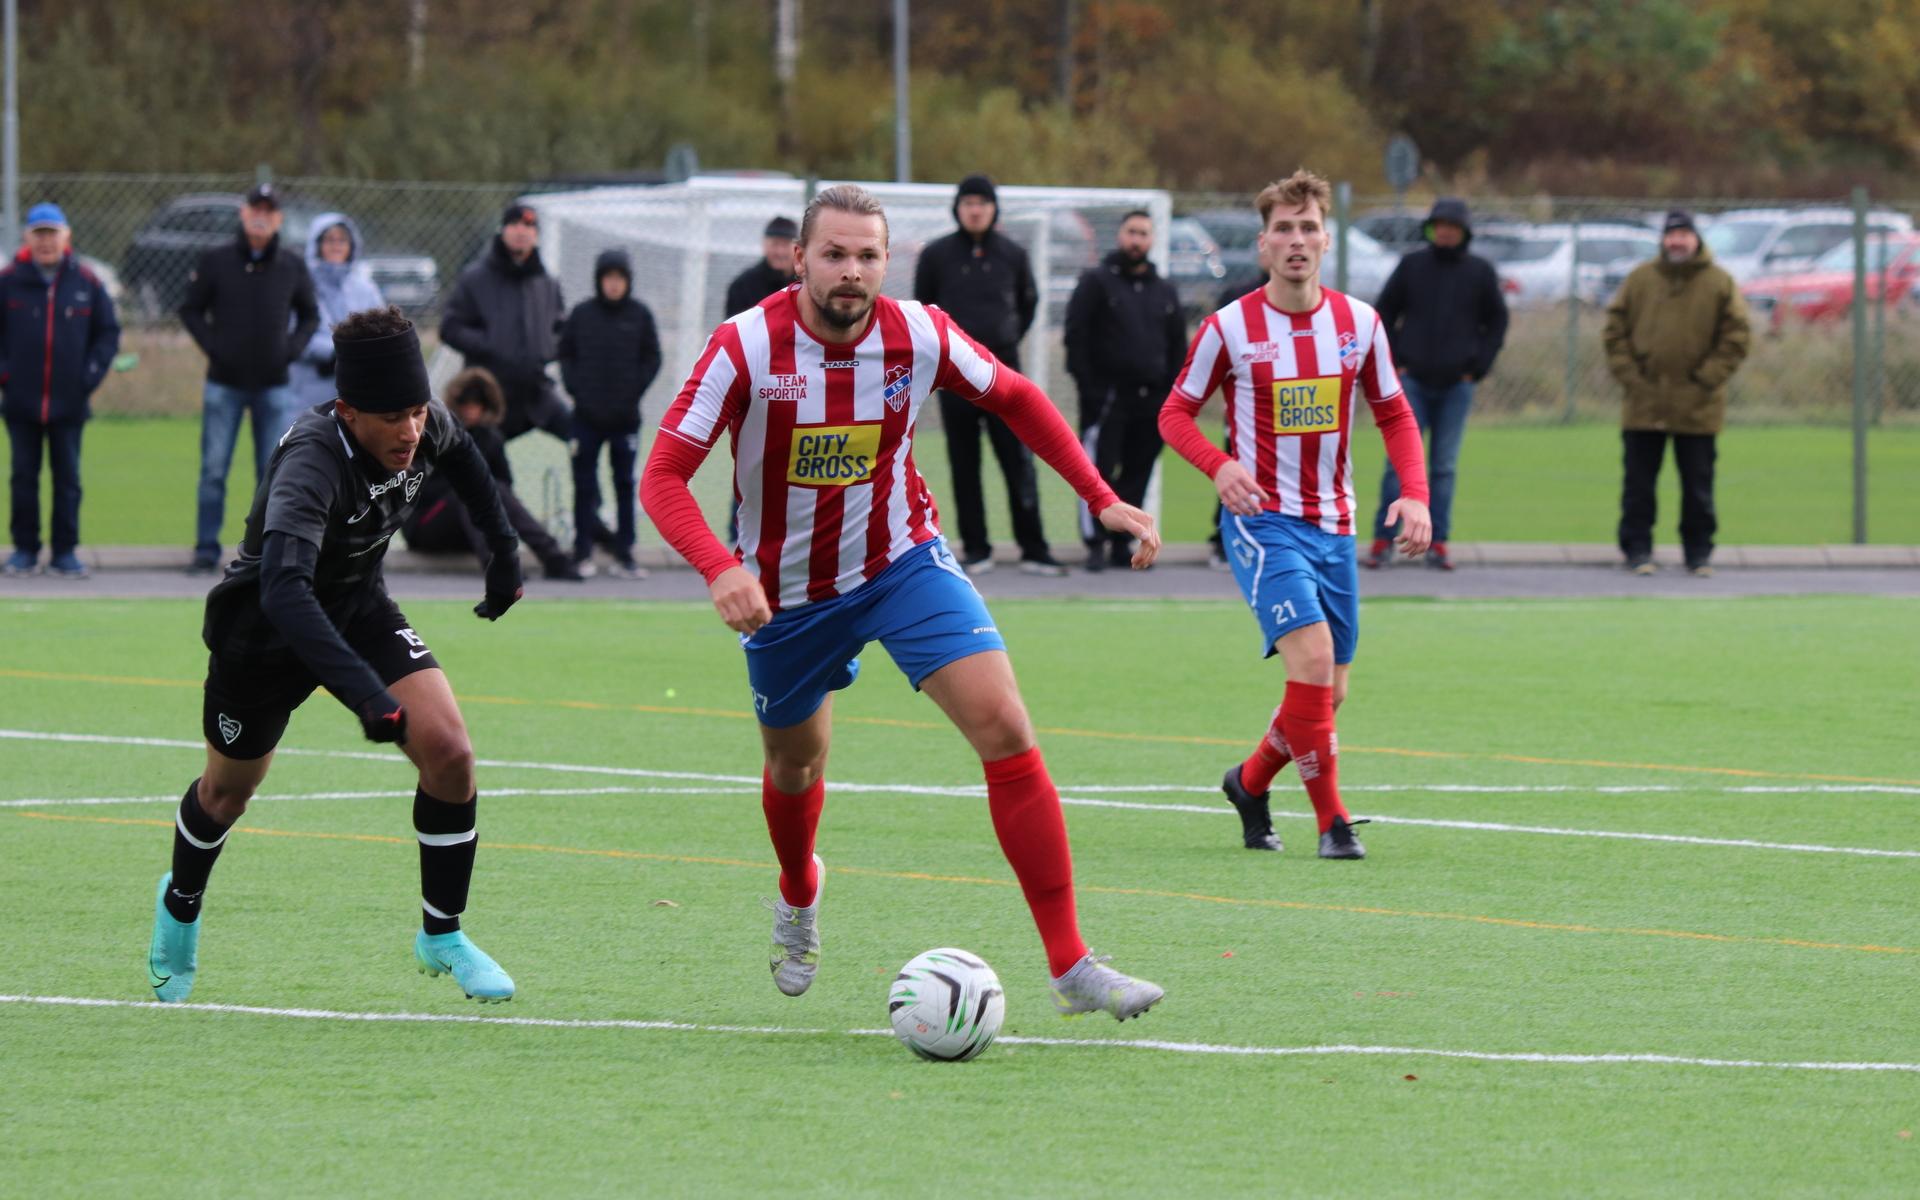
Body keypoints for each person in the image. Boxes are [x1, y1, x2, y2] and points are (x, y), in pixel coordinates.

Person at [641, 184, 1166, 1021]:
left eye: (868, 256)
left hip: (901, 563)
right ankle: (798, 892)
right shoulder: (744, 346)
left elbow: (1020, 399)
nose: (852, 272)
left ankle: (1071, 965)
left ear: (889, 261)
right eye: (835, 254)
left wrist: (1099, 495)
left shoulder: (919, 332)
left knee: (1006, 726)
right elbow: (662, 475)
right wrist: (717, 566)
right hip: (786, 598)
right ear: (803, 258)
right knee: (796, 764)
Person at [145, 306, 526, 1006]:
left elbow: (467, 457)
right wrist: (367, 696)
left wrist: (503, 554)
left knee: (451, 754)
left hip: (357, 607)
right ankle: (180, 903)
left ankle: (442, 935)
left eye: (417, 412)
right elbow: (285, 593)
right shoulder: (311, 462)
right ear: (349, 412)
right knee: (226, 794)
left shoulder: (419, 424)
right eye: (394, 418)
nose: (411, 431)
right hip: (263, 636)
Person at [1159, 170, 1433, 860]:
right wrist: (1220, 467)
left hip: (1334, 524)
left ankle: (1249, 783)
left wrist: (1415, 493)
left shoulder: (1359, 323)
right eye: (1283, 228)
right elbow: (1174, 414)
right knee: (1309, 660)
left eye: (1309, 227)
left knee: (1330, 692)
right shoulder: (1229, 327)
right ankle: (1332, 822)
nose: (1297, 240)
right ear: (1263, 245)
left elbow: (1395, 412)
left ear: (1324, 239)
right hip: (1264, 522)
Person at [913, 174, 1065, 576]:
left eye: (982, 202)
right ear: (957, 208)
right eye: (968, 203)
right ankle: (976, 548)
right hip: (955, 382)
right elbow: (924, 310)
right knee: (964, 464)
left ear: (994, 208)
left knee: (1018, 460)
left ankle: (1034, 548)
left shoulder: (1013, 254)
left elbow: (1027, 304)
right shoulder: (937, 255)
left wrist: (1005, 338)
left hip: (1003, 379)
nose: (975, 210)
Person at [180, 183, 320, 573]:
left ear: (278, 219)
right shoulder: (216, 259)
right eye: (254, 209)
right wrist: (215, 347)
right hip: (224, 382)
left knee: (273, 471)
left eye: (269, 211)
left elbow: (310, 315)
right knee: (213, 469)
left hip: (274, 384)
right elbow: (191, 309)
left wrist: (288, 351)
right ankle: (206, 548)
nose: (260, 217)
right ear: (243, 214)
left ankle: (264, 551)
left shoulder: (291, 265)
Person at [1603, 210, 1751, 577]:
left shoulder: (1720, 282)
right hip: (1644, 403)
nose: (1678, 241)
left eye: (1684, 234)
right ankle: (1638, 551)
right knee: (1638, 485)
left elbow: (1737, 336)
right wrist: (1634, 380)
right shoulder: (1641, 279)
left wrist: (1706, 379)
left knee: (1698, 487)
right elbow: (1614, 331)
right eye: (1672, 234)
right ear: (1663, 240)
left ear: (1697, 239)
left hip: (1698, 406)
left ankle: (1698, 554)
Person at [1364, 196, 1508, 571]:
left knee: (1443, 466)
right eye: (1439, 225)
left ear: (1464, 231)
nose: (1445, 231)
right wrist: (1396, 362)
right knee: (1399, 463)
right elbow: (1384, 313)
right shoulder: (1412, 266)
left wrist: (1478, 367)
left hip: (1457, 385)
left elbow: (1497, 322)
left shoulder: (1479, 271)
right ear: (1431, 228)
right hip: (1411, 382)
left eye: (1452, 226)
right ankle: (1384, 538)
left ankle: (1437, 540)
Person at [2, 203, 120, 579]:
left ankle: (65, 552)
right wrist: (5, 375)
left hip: (69, 402)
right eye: (39, 234)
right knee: (23, 476)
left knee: (68, 479)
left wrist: (89, 375)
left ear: (66, 236)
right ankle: (24, 550)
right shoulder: (8, 281)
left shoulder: (86, 281)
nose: (46, 241)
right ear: (27, 238)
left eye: (52, 233)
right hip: (21, 402)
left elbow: (108, 333)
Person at [1064, 209, 1187, 572]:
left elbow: (1178, 346)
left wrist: (1170, 394)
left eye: (1144, 233)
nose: (1137, 240)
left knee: (1138, 471)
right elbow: (1076, 336)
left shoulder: (1164, 290)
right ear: (1120, 235)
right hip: (1107, 399)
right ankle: (1095, 543)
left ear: (1152, 240)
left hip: (1151, 401)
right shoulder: (1097, 282)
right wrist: (1091, 388)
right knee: (1096, 472)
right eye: (1131, 232)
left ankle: (1123, 544)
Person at [402, 366, 584, 581]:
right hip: (426, 525)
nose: (471, 411)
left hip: (471, 527)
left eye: (476, 405)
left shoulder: (491, 439)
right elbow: (415, 491)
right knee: (472, 491)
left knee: (492, 488)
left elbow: (505, 487)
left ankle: (553, 558)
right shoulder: (436, 436)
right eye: (466, 405)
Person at [559, 248, 662, 578]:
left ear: (627, 281)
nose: (614, 285)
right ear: (599, 280)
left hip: (625, 419)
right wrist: (577, 390)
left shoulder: (640, 315)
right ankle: (583, 553)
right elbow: (566, 355)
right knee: (584, 485)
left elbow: (652, 358)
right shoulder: (582, 314)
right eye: (608, 278)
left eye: (620, 278)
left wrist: (633, 390)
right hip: (585, 419)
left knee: (624, 485)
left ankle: (625, 555)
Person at [440, 203, 569, 443]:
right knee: (480, 461)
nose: (521, 231)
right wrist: (490, 344)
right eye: (514, 224)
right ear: (503, 230)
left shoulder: (547, 283)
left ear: (536, 235)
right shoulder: (475, 278)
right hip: (489, 394)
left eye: (529, 225)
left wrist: (546, 349)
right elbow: (450, 328)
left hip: (535, 391)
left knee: (579, 436)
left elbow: (562, 331)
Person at [290, 213, 385, 410]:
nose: (336, 245)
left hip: (356, 385)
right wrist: (332, 352)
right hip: (309, 383)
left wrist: (356, 352)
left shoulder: (365, 288)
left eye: (342, 239)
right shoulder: (301, 284)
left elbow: (382, 329)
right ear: (316, 244)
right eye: (329, 239)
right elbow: (291, 329)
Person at [724, 216, 799, 317]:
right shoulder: (743, 286)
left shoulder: (805, 283)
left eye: (785, 245)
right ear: (764, 245)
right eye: (775, 244)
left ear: (797, 247)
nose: (780, 252)